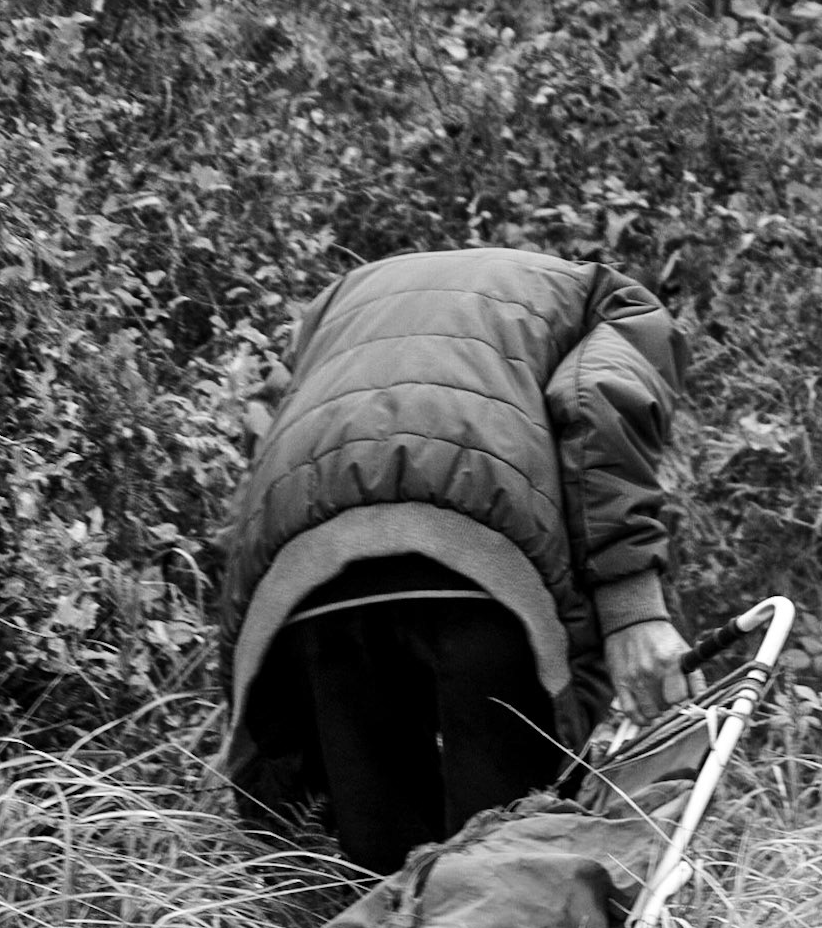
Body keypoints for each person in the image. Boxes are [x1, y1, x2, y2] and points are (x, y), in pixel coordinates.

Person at [218, 247, 694, 874]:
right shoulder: (611, 301)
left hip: (308, 579)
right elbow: (597, 402)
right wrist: (633, 610)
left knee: (379, 877)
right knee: (501, 866)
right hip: (481, 563)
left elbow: (272, 450)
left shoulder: (331, 308)